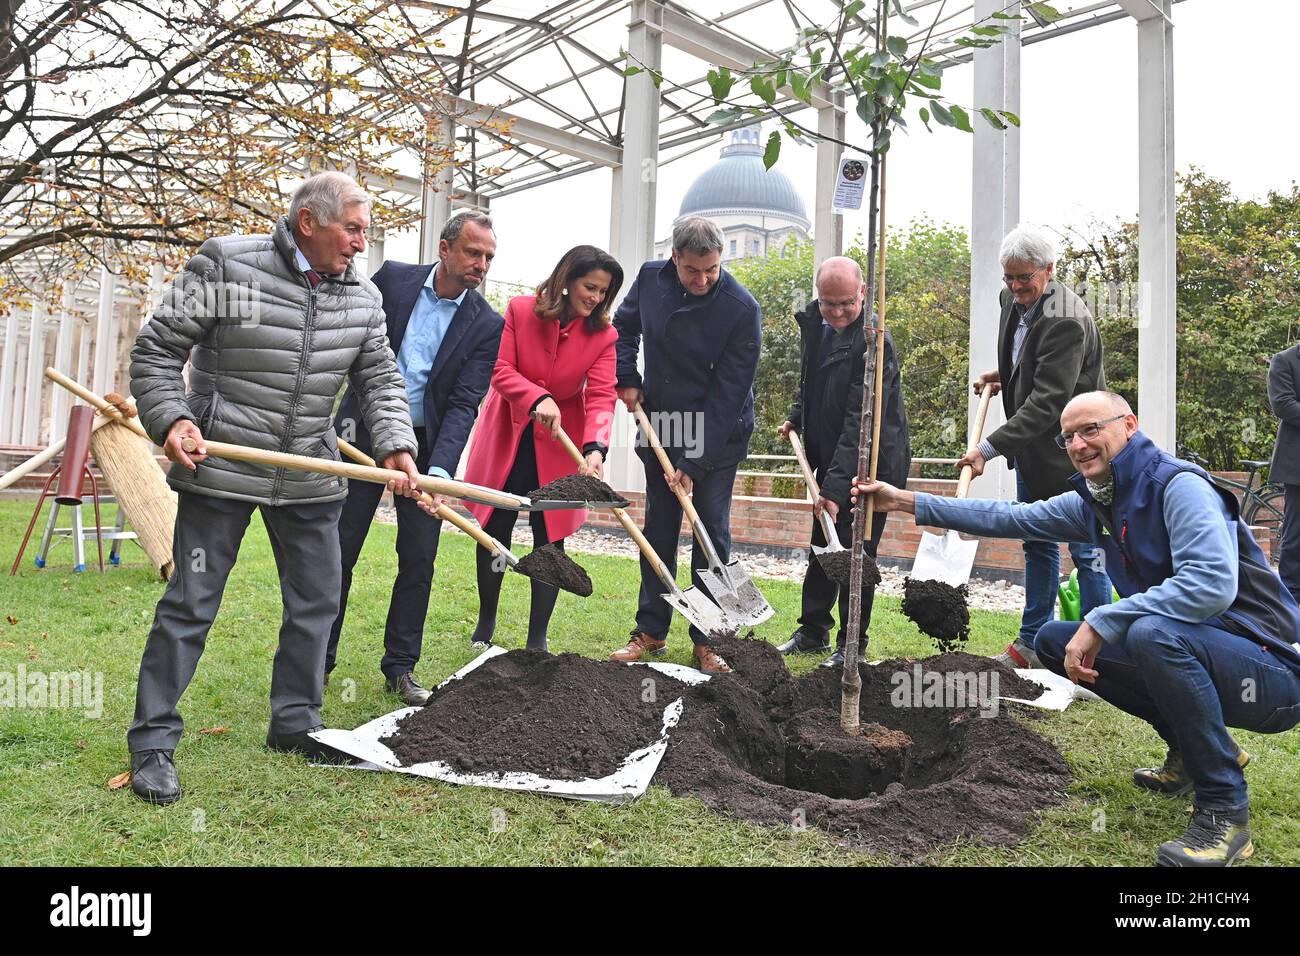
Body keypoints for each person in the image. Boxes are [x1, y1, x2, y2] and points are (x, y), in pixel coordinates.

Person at [856, 391, 1300, 866]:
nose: (1079, 443)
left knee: (1153, 634)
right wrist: (903, 500)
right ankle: (1192, 753)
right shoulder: (1098, 500)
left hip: (1271, 667)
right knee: (1053, 640)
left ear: (1129, 424)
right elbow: (1012, 517)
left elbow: (1209, 584)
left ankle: (1225, 811)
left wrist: (1101, 618)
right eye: (1069, 436)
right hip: (1205, 653)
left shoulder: (1178, 486)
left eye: (1092, 429)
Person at [126, 172, 423, 804]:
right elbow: (155, 352)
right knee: (191, 603)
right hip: (222, 466)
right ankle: (153, 741)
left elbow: (381, 379)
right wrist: (173, 419)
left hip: (311, 472)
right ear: (309, 222)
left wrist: (397, 442)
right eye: (353, 228)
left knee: (317, 603)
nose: (360, 243)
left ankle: (296, 722)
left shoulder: (363, 298)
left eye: (365, 230)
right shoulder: (227, 266)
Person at [326, 211, 503, 706]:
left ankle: (401, 666)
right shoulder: (393, 281)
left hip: (427, 445)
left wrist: (440, 473)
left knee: (419, 558)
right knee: (339, 548)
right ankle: (318, 658)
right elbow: (351, 345)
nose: (481, 265)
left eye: (488, 257)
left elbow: (466, 401)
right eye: (473, 252)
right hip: (360, 428)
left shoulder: (488, 324)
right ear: (445, 249)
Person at [608, 217, 762, 674]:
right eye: (693, 270)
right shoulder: (649, 280)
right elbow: (624, 324)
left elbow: (729, 395)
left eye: (711, 270)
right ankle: (651, 630)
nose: (702, 280)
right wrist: (626, 376)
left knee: (709, 530)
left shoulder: (740, 307)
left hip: (719, 427)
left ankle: (709, 638)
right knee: (659, 528)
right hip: (662, 420)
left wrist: (695, 461)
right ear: (675, 258)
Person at [959, 224, 1110, 668]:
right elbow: (1034, 366)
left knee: (1087, 549)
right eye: (1008, 277)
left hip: (1077, 453)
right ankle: (1033, 645)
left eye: (1024, 278)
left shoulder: (1067, 317)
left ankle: (1097, 655)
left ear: (1049, 270)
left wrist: (986, 449)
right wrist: (1005, 376)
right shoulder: (1012, 297)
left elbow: (1050, 400)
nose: (1015, 287)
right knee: (1037, 541)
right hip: (1033, 451)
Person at [462, 245, 622, 652]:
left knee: (550, 538)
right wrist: (536, 397)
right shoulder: (520, 310)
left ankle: (537, 640)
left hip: (557, 447)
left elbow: (603, 395)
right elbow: (500, 370)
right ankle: (486, 622)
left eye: (603, 292)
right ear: (566, 281)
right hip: (509, 435)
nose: (596, 297)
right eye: (590, 287)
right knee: (495, 530)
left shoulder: (603, 335)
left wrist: (595, 448)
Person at [776, 257, 910, 667]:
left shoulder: (875, 343)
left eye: (845, 304)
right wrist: (798, 416)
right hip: (831, 455)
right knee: (823, 543)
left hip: (871, 463)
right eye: (827, 303)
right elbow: (809, 381)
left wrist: (834, 490)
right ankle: (813, 631)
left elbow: (860, 422)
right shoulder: (816, 327)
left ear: (864, 294)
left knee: (857, 551)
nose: (835, 313)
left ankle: (852, 643)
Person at [1267, 341, 1300, 606]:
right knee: (1296, 531)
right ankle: (1290, 597)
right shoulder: (1284, 360)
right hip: (1297, 464)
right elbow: (1283, 404)